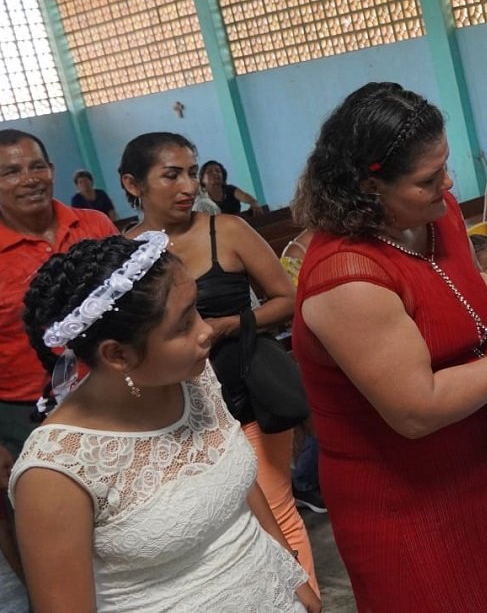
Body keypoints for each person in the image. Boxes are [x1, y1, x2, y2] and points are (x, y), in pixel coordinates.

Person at [288, 82, 487, 612]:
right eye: (427, 179)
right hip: (405, 496)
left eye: (444, 167)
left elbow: (470, 291)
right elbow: (417, 409)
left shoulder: (431, 214)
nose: (447, 186)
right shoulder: (347, 276)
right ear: (368, 187)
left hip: (478, 462)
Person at [12, 234, 319, 612]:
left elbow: (231, 479)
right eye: (183, 324)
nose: (206, 330)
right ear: (118, 355)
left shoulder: (193, 377)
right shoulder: (56, 470)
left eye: (198, 310)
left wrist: (294, 575)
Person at [118, 133, 317, 590]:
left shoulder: (225, 230)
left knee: (276, 505)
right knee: (215, 528)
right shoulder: (124, 253)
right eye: (172, 175)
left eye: (192, 172)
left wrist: (228, 324)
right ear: (134, 184)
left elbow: (286, 299)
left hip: (246, 392)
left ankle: (303, 598)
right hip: (171, 412)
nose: (188, 185)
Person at [0, 128, 116, 587]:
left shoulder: (93, 225)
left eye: (37, 166)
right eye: (10, 171)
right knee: (38, 523)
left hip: (109, 395)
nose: (29, 178)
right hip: (24, 412)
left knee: (116, 511)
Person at [278, 228, 326, 515]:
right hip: (312, 338)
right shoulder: (294, 254)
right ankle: (304, 481)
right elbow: (294, 306)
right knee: (320, 415)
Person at [200, 159, 264, 216]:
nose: (215, 173)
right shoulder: (201, 199)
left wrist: (254, 203)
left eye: (218, 171)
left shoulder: (230, 190)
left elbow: (245, 196)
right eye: (210, 172)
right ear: (202, 179)